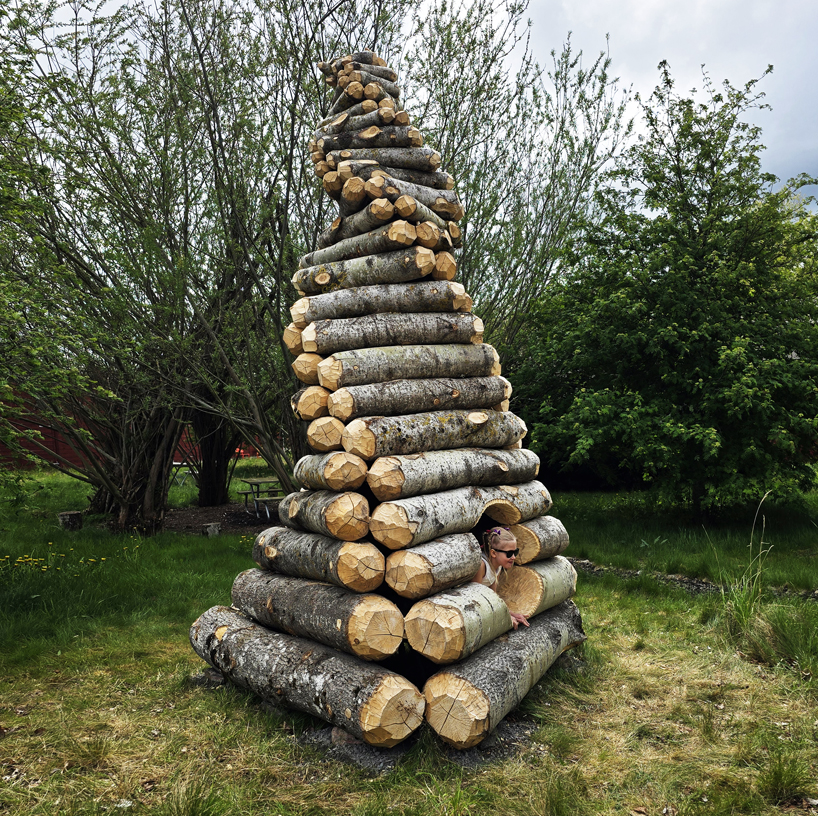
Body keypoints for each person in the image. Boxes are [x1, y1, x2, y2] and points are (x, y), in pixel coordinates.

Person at [471, 526, 529, 629]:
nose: (513, 557)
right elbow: (476, 600)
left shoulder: (498, 566)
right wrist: (504, 617)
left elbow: (494, 598)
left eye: (515, 552)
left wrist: (511, 613)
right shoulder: (481, 566)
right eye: (509, 553)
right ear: (493, 553)